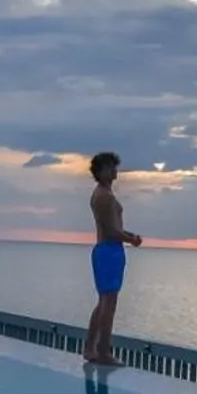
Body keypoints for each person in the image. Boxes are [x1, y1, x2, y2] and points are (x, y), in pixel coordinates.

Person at [83, 151, 141, 365]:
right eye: (111, 167)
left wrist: (126, 236)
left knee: (104, 302)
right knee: (109, 303)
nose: (115, 171)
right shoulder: (103, 196)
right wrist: (132, 238)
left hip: (108, 250)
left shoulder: (103, 194)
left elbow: (112, 228)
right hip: (109, 250)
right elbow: (111, 231)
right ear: (100, 171)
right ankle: (103, 351)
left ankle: (91, 347)